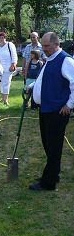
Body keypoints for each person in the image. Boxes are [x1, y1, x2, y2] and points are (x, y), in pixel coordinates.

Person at [28, 32, 74, 191]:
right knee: (48, 144)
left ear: (56, 44)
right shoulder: (49, 59)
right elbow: (44, 79)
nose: (44, 49)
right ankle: (52, 174)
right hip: (46, 109)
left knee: (54, 147)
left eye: (46, 46)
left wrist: (69, 104)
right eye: (43, 46)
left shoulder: (65, 60)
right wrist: (33, 87)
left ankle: (49, 183)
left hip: (57, 111)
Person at [0, 32, 18, 106]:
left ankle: (6, 99)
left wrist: (13, 64)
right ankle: (3, 98)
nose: (1, 39)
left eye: (2, 37)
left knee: (6, 83)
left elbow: (14, 55)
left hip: (8, 68)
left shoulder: (9, 45)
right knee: (1, 83)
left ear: (5, 38)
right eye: (0, 38)